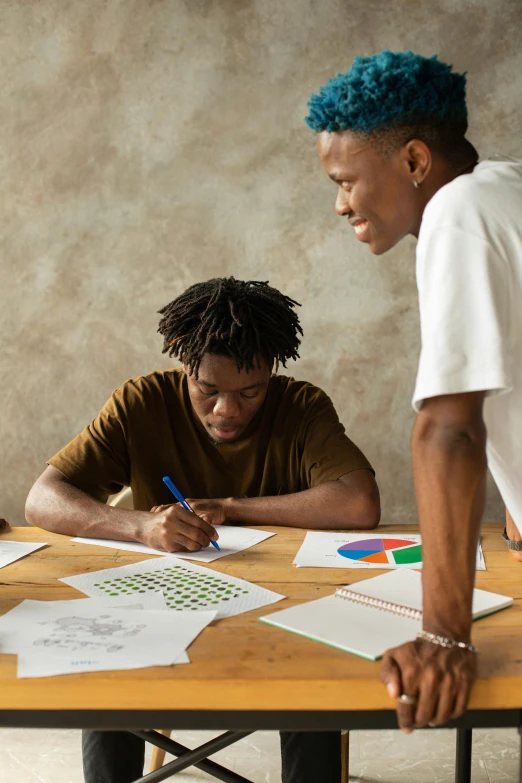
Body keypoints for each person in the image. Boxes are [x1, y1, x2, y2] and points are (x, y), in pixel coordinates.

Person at [26, 276, 380, 783]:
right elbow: (42, 497)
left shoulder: (302, 406)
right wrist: (140, 527)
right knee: (108, 672)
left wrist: (232, 507)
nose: (227, 410)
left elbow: (358, 502)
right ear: (181, 361)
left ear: (273, 371)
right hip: (159, 602)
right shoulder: (140, 403)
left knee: (312, 680)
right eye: (207, 390)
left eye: (250, 391)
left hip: (283, 606)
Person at [305, 49, 522, 733]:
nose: (340, 205)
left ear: (415, 162)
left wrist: (445, 638)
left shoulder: (456, 215)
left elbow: (449, 429)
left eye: (345, 181)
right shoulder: (505, 188)